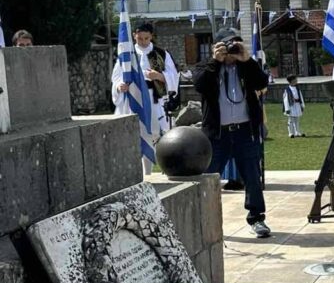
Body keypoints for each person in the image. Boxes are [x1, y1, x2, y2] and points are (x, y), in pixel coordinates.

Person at [193, 27, 271, 237]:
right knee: (209, 178)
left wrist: (247, 59)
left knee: (252, 177)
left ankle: (257, 218)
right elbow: (199, 84)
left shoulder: (246, 67)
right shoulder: (207, 67)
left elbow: (262, 82)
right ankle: (205, 221)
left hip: (245, 131)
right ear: (216, 47)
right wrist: (215, 61)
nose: (231, 50)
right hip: (218, 134)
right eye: (227, 45)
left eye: (234, 44)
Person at [112, 20, 179, 172]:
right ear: (134, 36)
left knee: (154, 134)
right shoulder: (127, 55)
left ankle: (157, 169)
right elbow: (116, 76)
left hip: (153, 98)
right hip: (133, 99)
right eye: (139, 38)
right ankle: (137, 171)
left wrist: (159, 76)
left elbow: (174, 76)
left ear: (151, 36)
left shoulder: (161, 53)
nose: (143, 42)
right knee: (135, 134)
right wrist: (119, 85)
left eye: (146, 38)